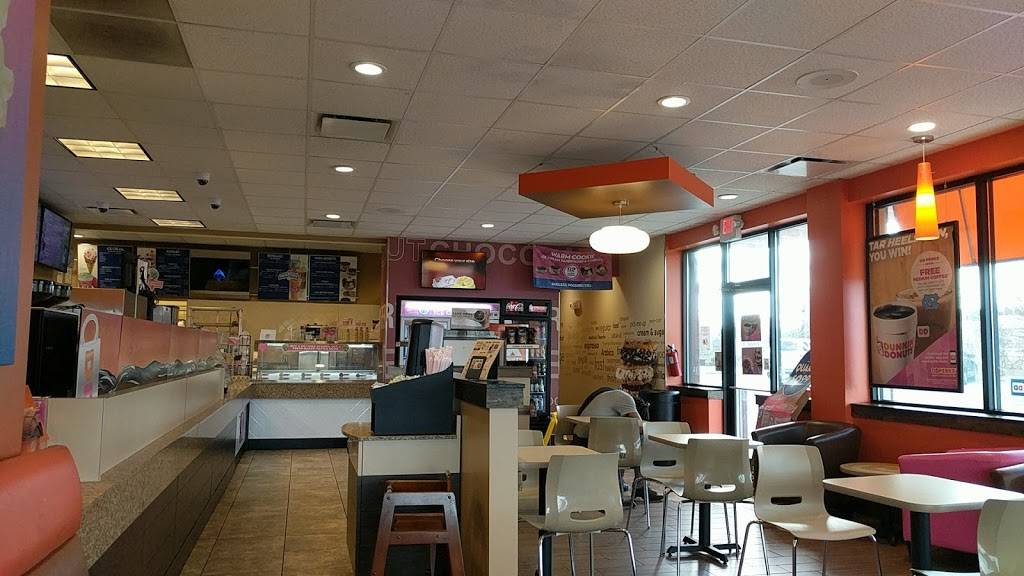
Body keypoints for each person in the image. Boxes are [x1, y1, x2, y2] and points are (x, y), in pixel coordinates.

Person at [572, 386, 640, 440]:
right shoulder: (627, 399)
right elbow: (639, 427)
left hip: (578, 437)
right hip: (590, 441)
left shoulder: (611, 393)